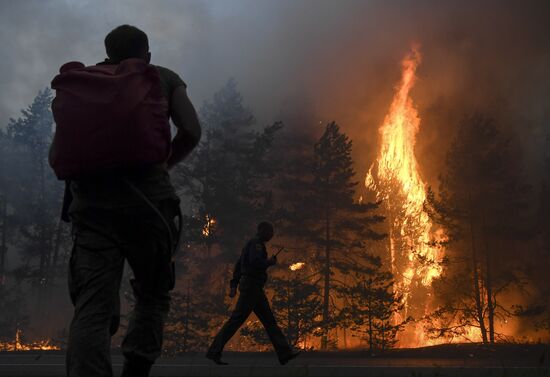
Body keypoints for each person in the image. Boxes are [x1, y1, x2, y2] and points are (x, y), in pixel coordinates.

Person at [50, 25, 201, 377]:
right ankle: (136, 367)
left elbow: (56, 153)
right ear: (146, 55)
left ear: (107, 53)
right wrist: (164, 162)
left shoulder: (85, 84)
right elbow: (192, 130)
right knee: (152, 293)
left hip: (92, 213)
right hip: (150, 208)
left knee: (93, 305)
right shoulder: (161, 77)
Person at [206, 222, 300, 365]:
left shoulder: (249, 245)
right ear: (262, 231)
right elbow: (255, 262)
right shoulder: (256, 244)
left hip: (253, 287)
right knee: (238, 320)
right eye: (270, 232)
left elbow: (239, 265)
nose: (271, 235)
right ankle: (213, 351)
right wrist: (269, 262)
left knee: (268, 321)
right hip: (252, 287)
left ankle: (284, 353)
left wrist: (234, 284)